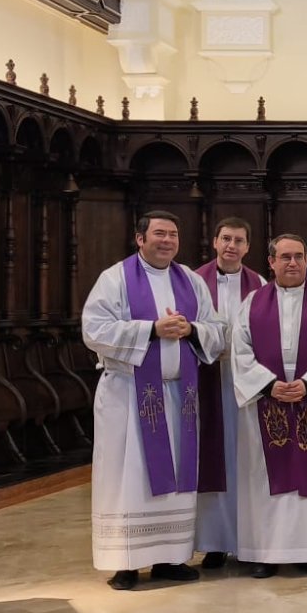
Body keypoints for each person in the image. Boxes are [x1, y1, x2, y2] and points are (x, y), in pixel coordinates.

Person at [82, 211, 226, 590]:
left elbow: (217, 331)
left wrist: (191, 328)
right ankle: (126, 562)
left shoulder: (191, 281)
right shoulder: (115, 279)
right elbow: (94, 329)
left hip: (180, 398)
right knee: (128, 478)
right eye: (159, 233)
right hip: (129, 397)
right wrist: (152, 329)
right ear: (139, 238)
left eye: (173, 235)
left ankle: (170, 557)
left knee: (176, 478)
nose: (167, 240)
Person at [230, 233, 307, 577]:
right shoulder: (252, 302)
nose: (293, 263)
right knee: (264, 478)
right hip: (267, 402)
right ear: (271, 262)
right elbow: (241, 351)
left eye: (299, 257)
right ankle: (265, 553)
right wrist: (270, 386)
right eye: (285, 257)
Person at [193, 218, 263, 568]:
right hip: (208, 377)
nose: (231, 246)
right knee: (214, 457)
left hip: (247, 381)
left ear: (248, 247)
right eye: (226, 239)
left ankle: (248, 538)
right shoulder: (193, 282)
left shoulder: (261, 284)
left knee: (247, 460)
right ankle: (216, 541)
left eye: (239, 240)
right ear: (215, 243)